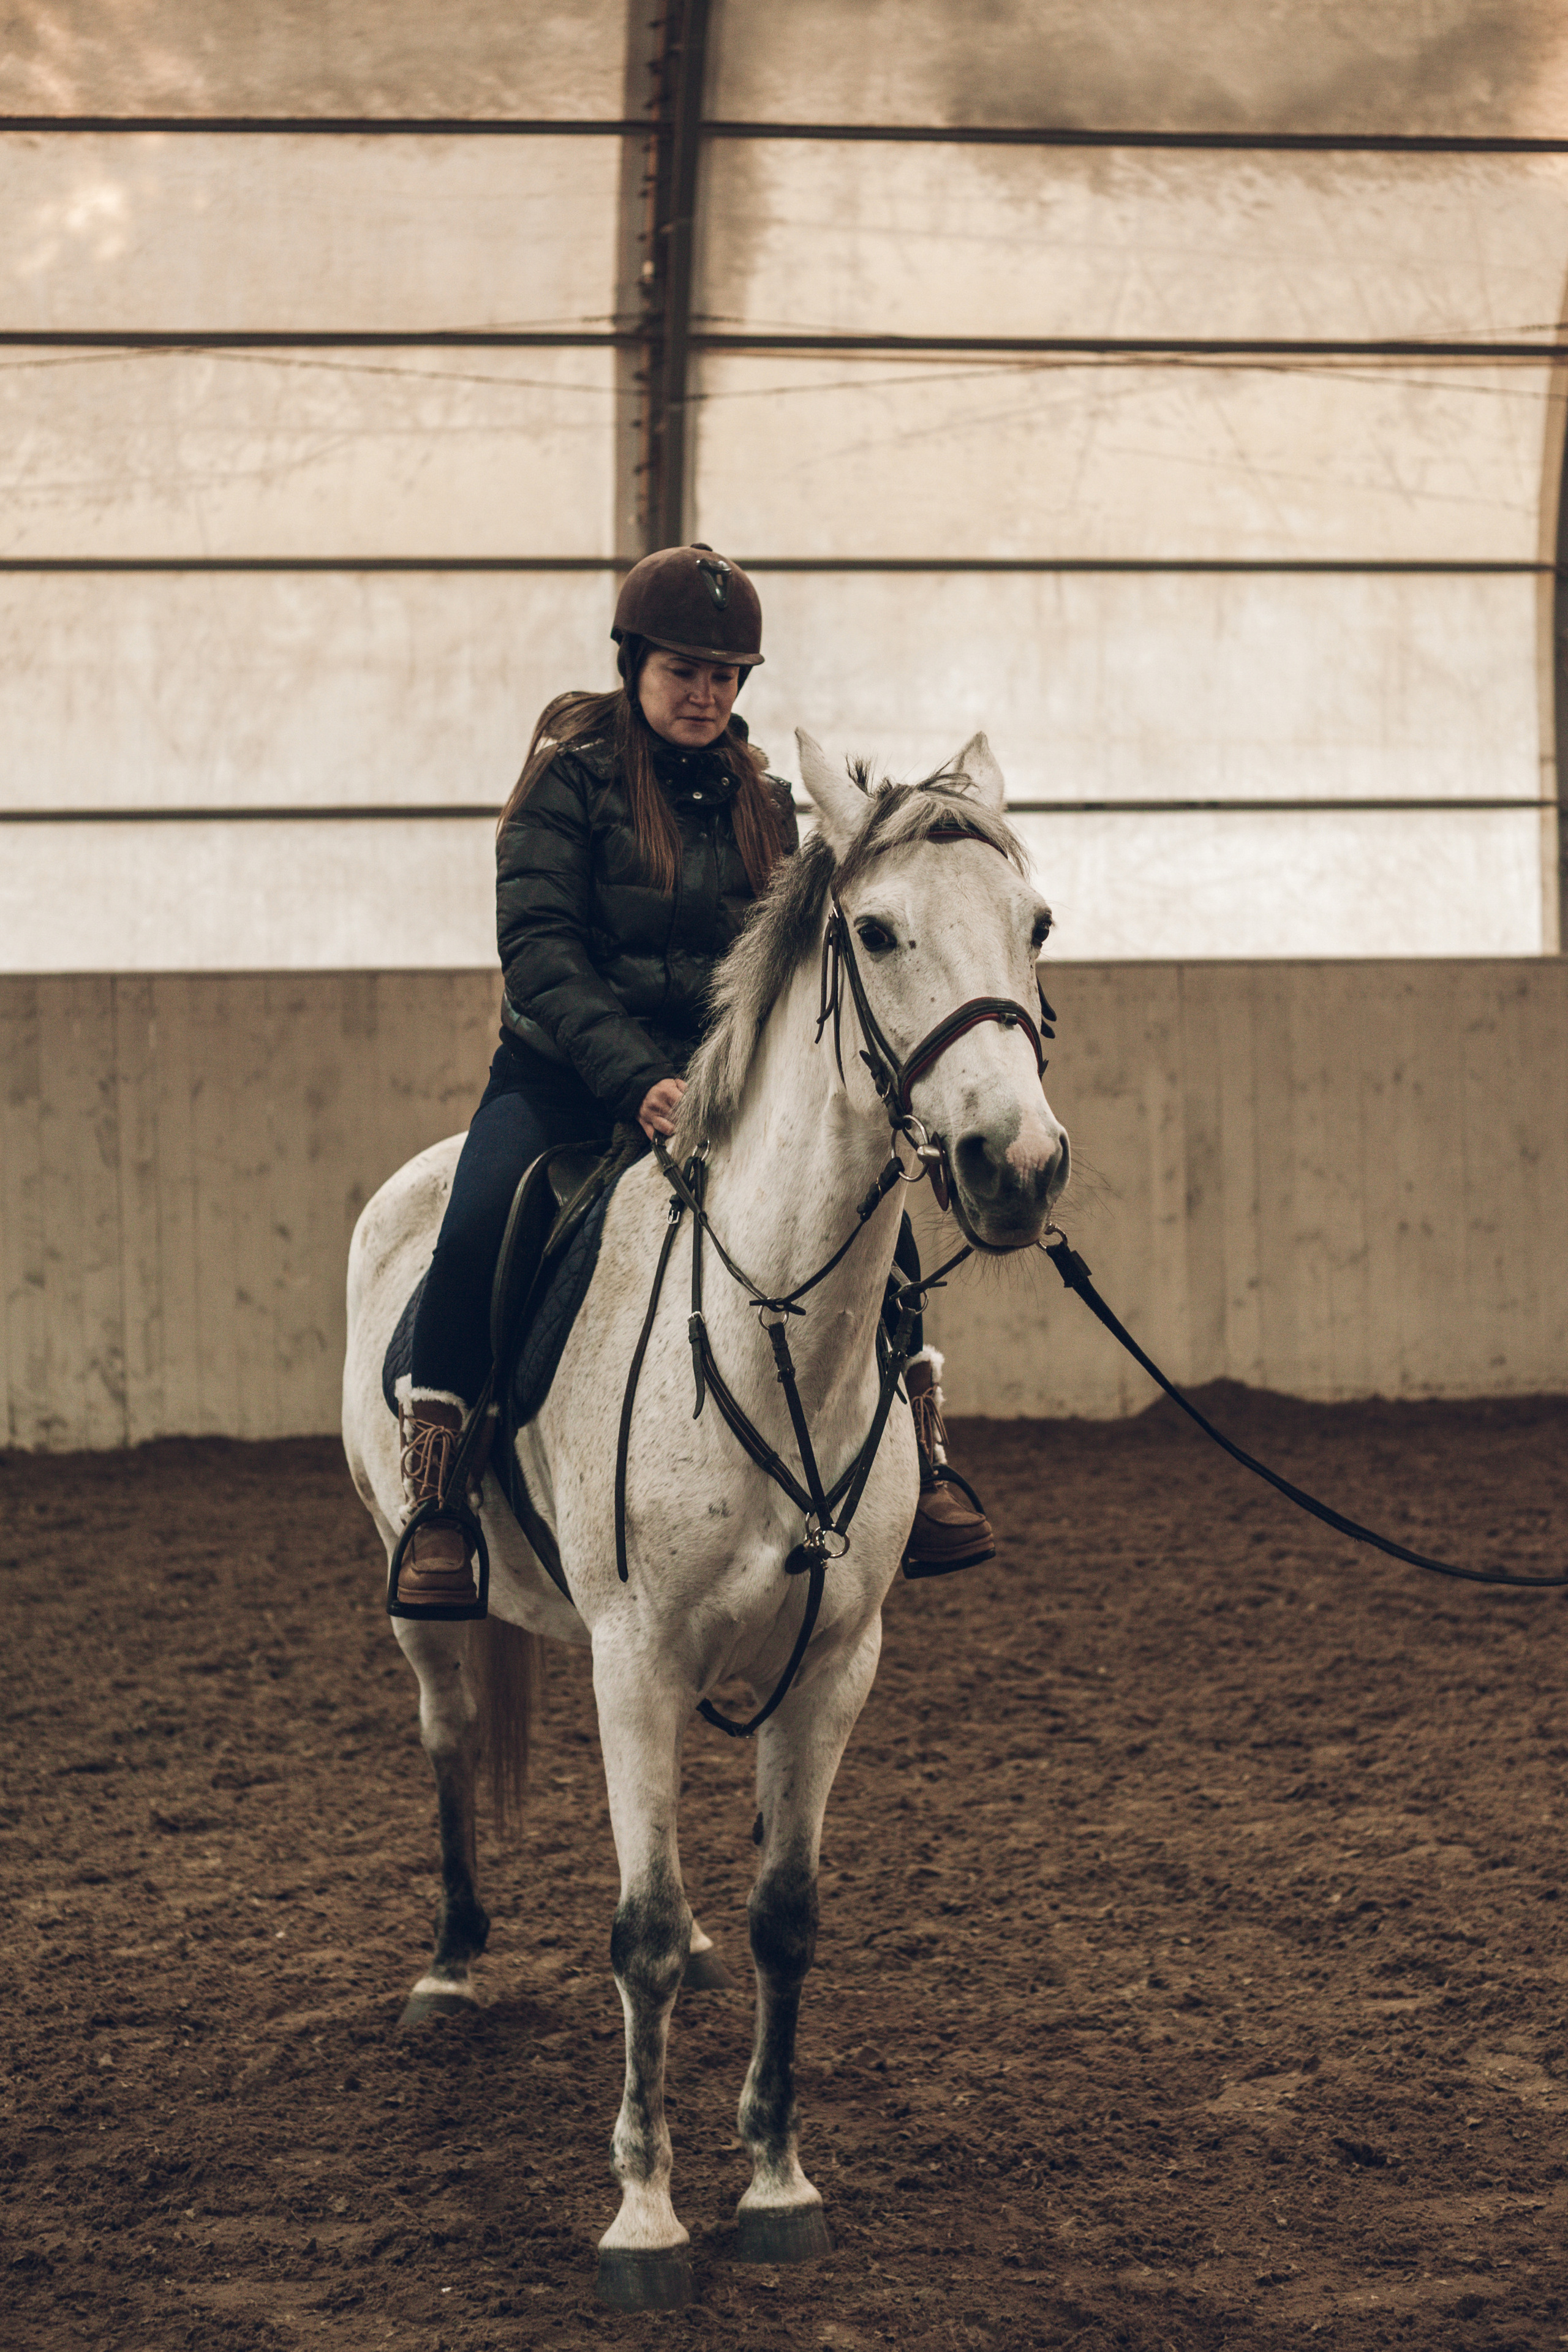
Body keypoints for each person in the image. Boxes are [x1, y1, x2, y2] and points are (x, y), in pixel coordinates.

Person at [395, 543, 992, 1614]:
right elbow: (541, 951)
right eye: (684, 672)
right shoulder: (564, 787)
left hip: (720, 1085)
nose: (705, 694)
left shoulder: (764, 801)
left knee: (871, 1207)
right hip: (564, 1079)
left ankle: (927, 1448)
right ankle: (438, 1502)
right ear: (634, 665)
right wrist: (635, 1079)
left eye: (724, 677)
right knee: (481, 1220)